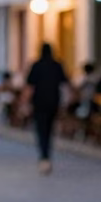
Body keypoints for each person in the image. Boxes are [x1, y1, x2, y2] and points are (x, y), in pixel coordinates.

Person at [24, 43, 68, 173]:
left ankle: (44, 156)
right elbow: (64, 85)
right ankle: (46, 155)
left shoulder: (36, 66)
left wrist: (25, 103)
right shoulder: (57, 65)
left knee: (41, 130)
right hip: (54, 102)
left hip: (39, 103)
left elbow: (29, 87)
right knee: (49, 129)